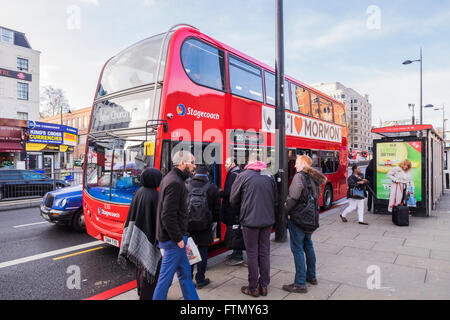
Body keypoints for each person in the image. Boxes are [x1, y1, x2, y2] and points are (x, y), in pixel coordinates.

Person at [153, 150, 199, 300]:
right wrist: (179, 239)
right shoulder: (175, 183)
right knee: (165, 280)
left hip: (175, 239)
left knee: (185, 274)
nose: (194, 166)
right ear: (182, 163)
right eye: (192, 162)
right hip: (173, 241)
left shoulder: (171, 179)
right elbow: (168, 215)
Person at [230, 154, 277, 298]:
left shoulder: (243, 176)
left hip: (249, 221)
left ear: (249, 162)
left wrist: (242, 210)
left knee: (252, 253)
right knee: (264, 252)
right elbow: (275, 198)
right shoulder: (269, 176)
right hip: (267, 220)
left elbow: (233, 200)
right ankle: (263, 286)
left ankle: (252, 288)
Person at [282, 155, 326, 294]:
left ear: (302, 164)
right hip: (311, 218)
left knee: (298, 249)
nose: (294, 166)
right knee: (308, 245)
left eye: (296, 163)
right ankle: (311, 277)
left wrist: (285, 208)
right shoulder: (314, 177)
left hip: (299, 219)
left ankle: (300, 283)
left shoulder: (299, 177)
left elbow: (293, 197)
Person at [118, 168, 163, 300]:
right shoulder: (155, 195)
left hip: (137, 237)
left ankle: (140, 291)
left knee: (140, 268)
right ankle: (146, 296)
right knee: (151, 271)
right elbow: (158, 220)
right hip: (150, 238)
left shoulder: (139, 192)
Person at [186, 164, 220, 289]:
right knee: (203, 251)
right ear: (207, 174)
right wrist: (214, 222)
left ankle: (188, 279)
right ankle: (200, 279)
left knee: (189, 251)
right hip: (205, 225)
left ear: (194, 173)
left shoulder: (187, 186)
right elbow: (217, 210)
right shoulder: (212, 188)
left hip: (188, 225)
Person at [220, 157, 244, 266]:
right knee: (236, 231)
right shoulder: (238, 173)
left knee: (235, 232)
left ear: (232, 164)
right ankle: (235, 253)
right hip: (236, 209)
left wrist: (220, 193)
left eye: (226, 163)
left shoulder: (233, 175)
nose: (225, 165)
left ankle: (238, 256)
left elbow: (229, 193)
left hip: (233, 209)